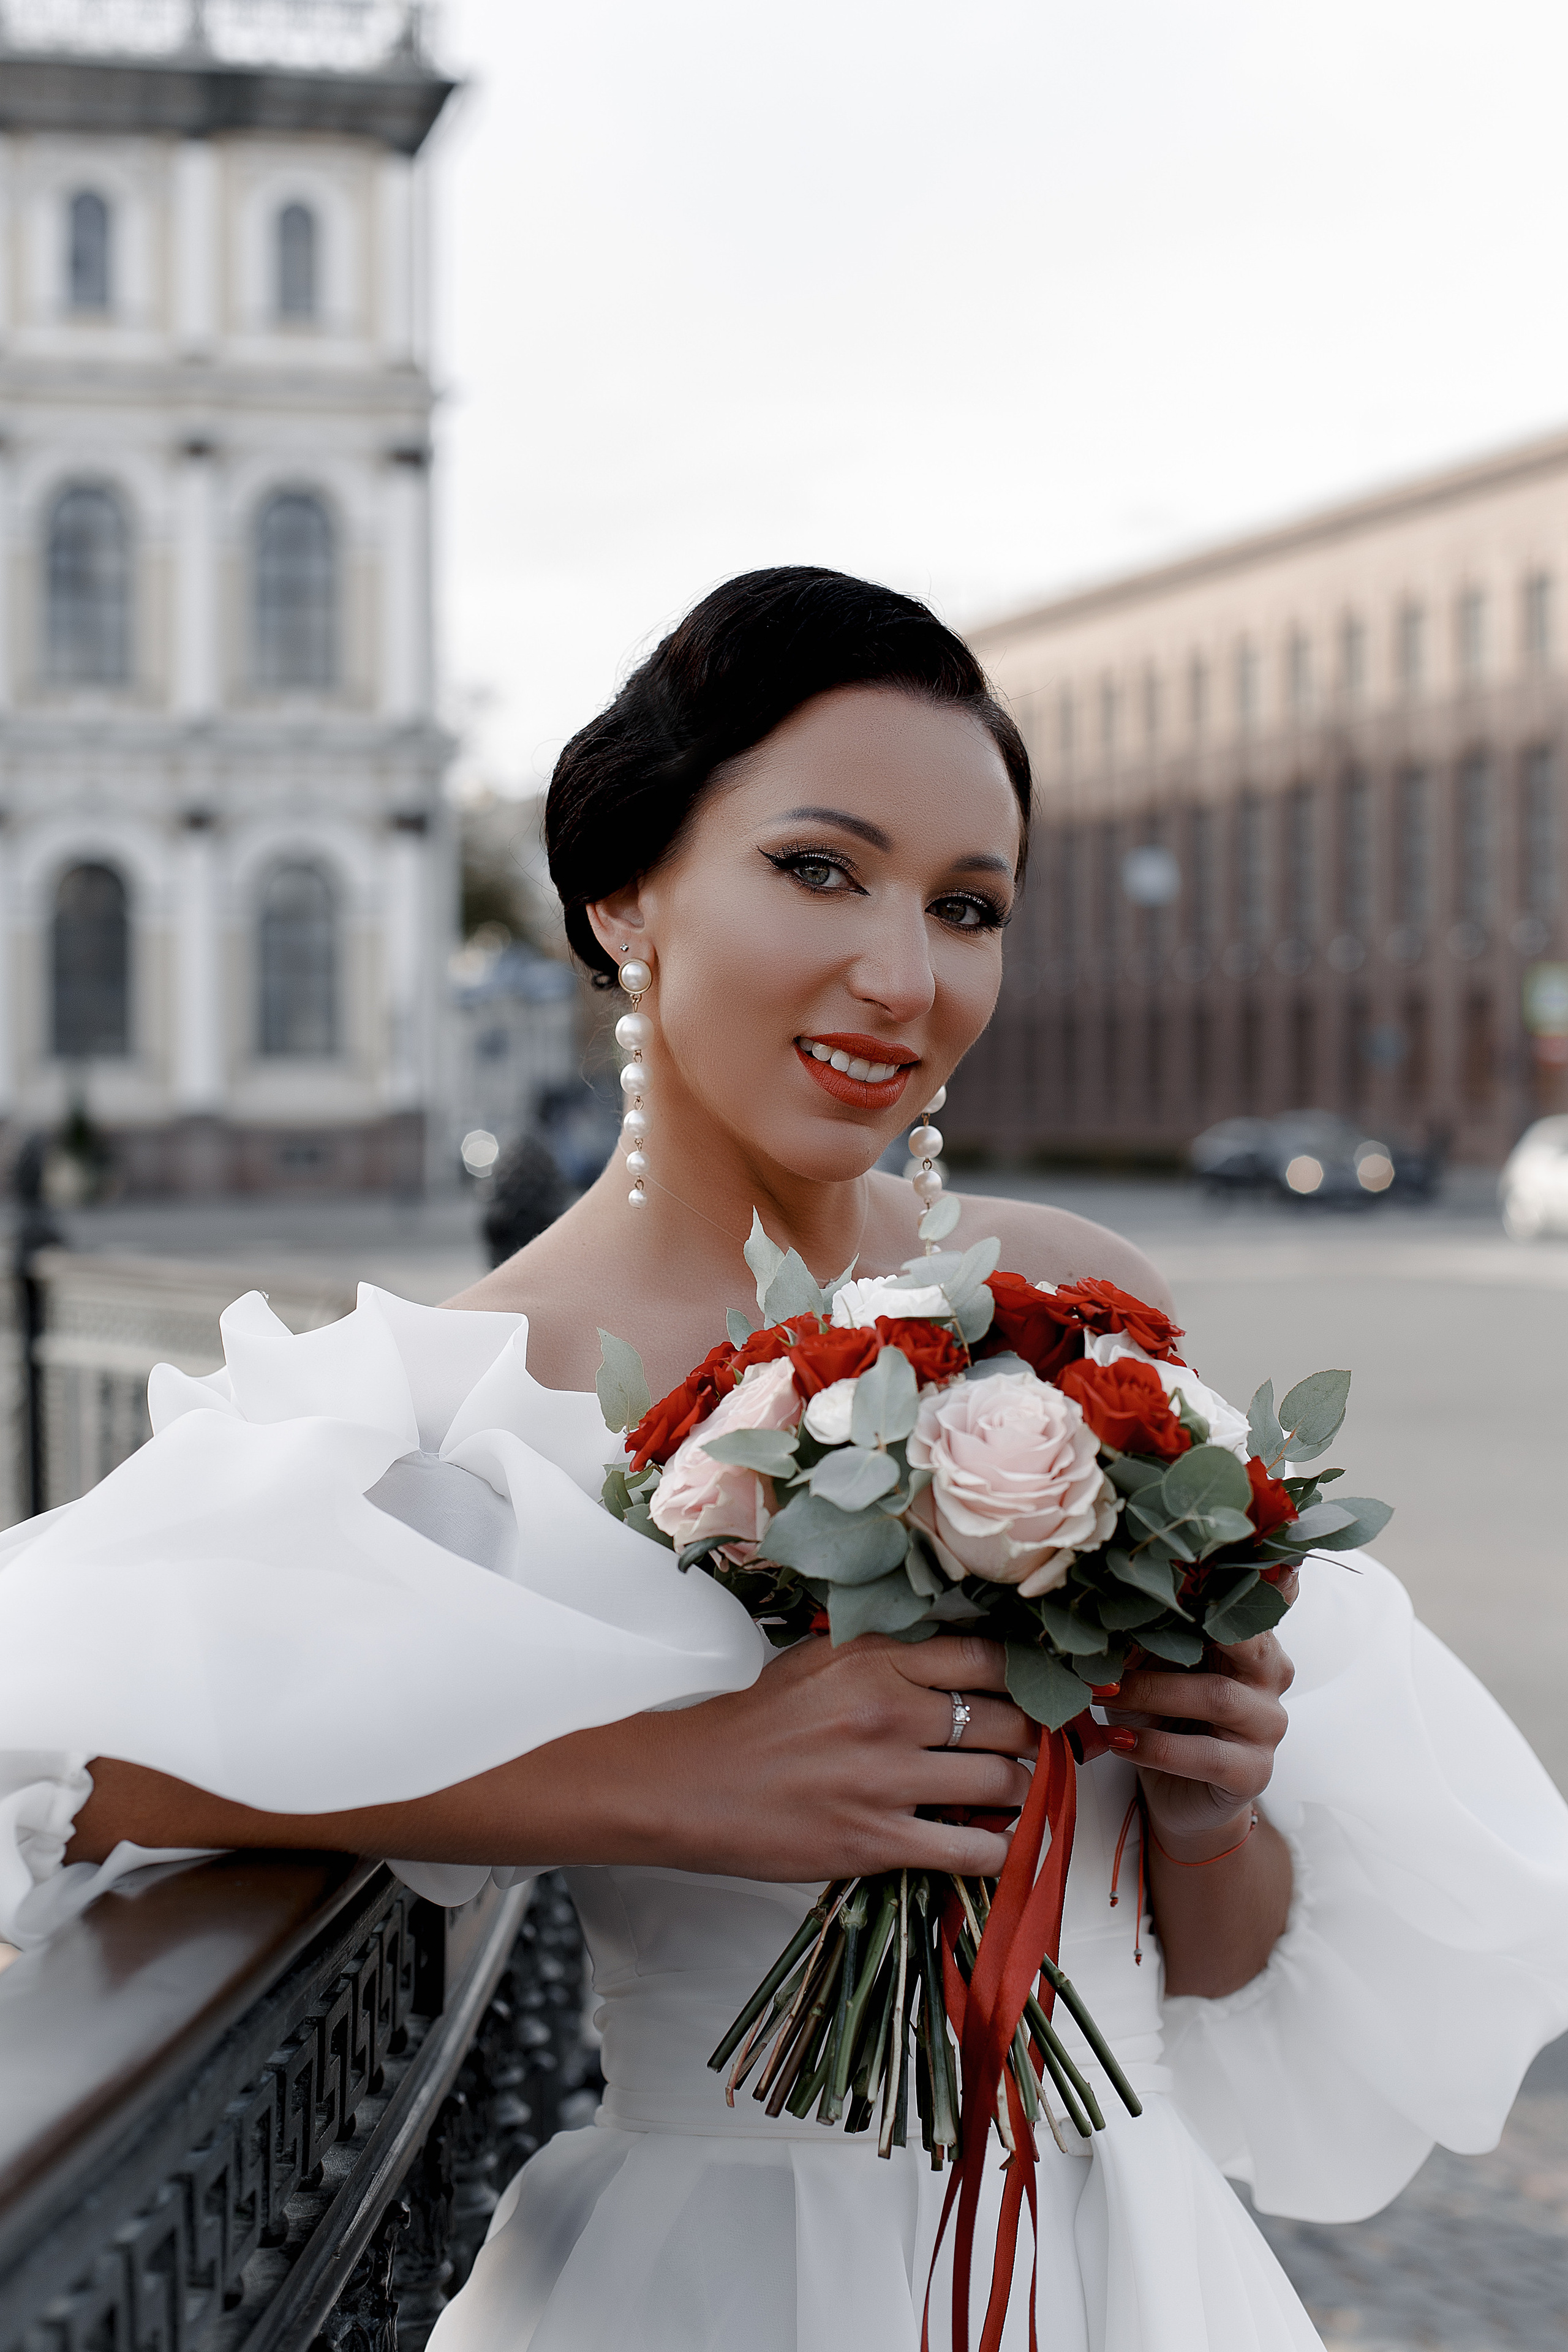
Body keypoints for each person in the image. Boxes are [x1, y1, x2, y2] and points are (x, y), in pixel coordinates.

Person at [2, 568, 1566, 2352]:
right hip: (720, 2278)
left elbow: (1206, 1970)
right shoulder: (468, 1396)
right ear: (626, 892)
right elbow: (47, 1739)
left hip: (1133, 2270)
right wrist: (668, 1779)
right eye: (820, 869)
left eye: (966, 906)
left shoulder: (1085, 1313)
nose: (903, 977)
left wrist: (1215, 1807)